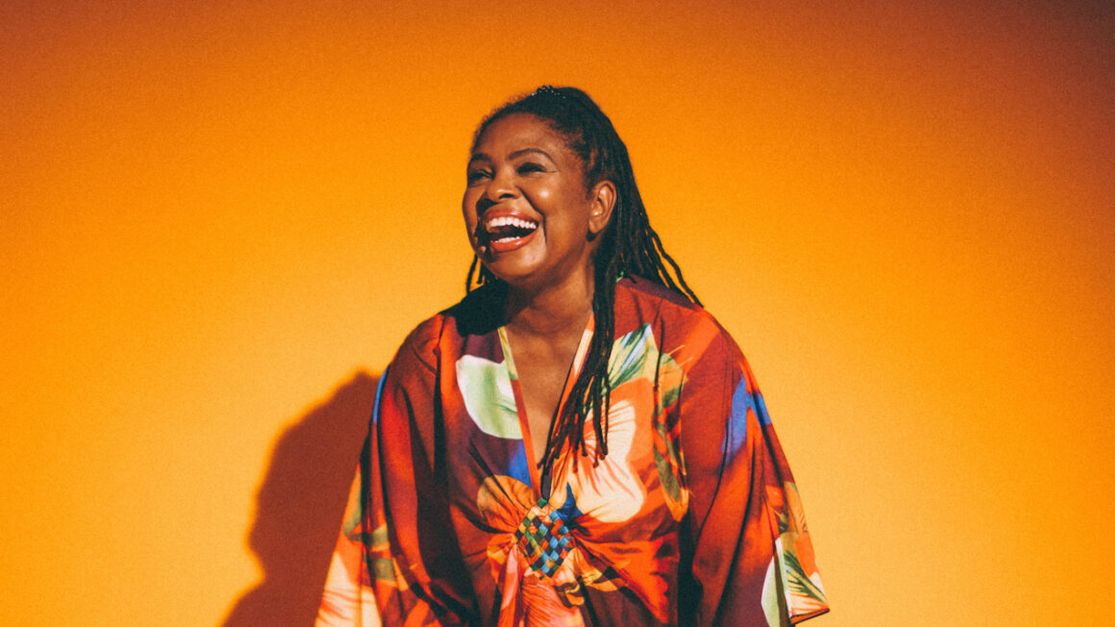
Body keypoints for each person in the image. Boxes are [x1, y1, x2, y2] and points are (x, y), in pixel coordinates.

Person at [316, 86, 829, 626]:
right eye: (480, 174)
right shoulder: (434, 360)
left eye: (529, 168)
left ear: (598, 205)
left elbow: (744, 575)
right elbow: (399, 577)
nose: (495, 190)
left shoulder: (681, 349)